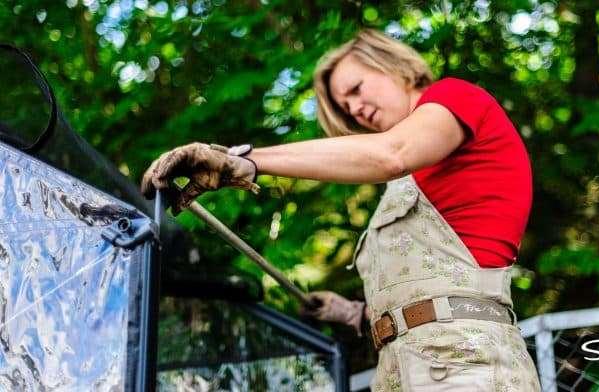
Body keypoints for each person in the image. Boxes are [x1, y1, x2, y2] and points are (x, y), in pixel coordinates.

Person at [141, 29, 541, 391]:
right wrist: (353, 312)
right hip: (406, 369)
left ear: (394, 65)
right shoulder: (407, 183)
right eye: (345, 105)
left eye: (356, 88)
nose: (354, 108)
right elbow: (434, 292)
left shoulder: (456, 97)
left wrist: (242, 160)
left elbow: (391, 153)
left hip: (463, 365)